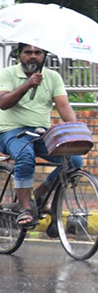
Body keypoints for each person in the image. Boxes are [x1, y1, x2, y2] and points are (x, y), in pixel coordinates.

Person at [0, 43, 81, 228]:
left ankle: (41, 193)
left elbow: (63, 105)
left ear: (44, 56)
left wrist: (75, 131)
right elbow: (3, 103)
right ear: (19, 55)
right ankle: (25, 209)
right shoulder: (7, 74)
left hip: (40, 132)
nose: (33, 56)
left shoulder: (52, 77)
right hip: (10, 131)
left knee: (73, 160)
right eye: (28, 52)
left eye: (38, 52)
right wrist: (28, 84)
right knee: (25, 157)